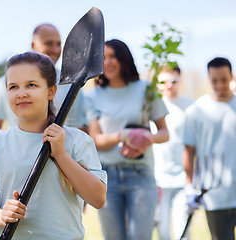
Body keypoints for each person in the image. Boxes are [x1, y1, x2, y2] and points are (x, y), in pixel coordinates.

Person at [0, 52, 107, 239]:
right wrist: (2, 215)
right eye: (13, 87)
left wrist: (61, 155)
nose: (21, 93)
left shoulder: (77, 140)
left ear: (51, 91)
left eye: (31, 85)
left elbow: (97, 199)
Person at [85, 39, 169, 240]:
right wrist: (124, 136)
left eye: (113, 56)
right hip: (106, 177)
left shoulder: (147, 90)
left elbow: (164, 133)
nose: (108, 62)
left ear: (124, 58)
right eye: (103, 58)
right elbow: (95, 139)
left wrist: (144, 138)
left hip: (140, 175)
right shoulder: (92, 96)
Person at [0, 23, 86, 138]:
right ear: (33, 45)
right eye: (49, 43)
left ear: (52, 91)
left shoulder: (72, 84)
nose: (55, 50)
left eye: (58, 44)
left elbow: (80, 129)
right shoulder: (5, 83)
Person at [183, 57, 236, 240]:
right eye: (214, 80)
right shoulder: (196, 111)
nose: (220, 85)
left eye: (224, 79)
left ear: (232, 77)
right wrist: (190, 186)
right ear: (209, 78)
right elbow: (189, 151)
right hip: (214, 197)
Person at [153, 66, 193, 240]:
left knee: (182, 232)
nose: (169, 85)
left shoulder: (191, 107)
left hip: (183, 180)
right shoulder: (153, 105)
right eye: (163, 81)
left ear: (180, 80)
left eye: (173, 81)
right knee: (162, 232)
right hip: (158, 180)